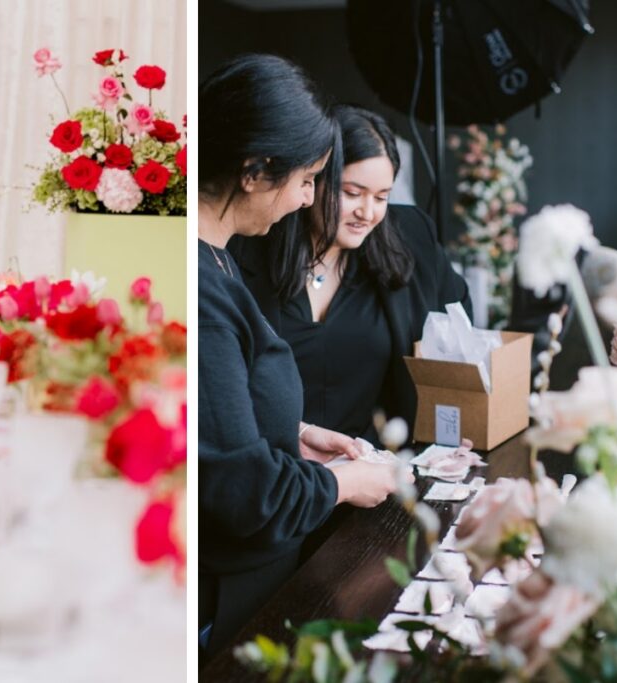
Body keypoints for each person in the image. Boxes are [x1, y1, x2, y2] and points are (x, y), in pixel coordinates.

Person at [199, 56, 402, 658]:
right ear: (256, 171)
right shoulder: (207, 287)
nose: (308, 197)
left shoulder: (220, 259)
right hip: (230, 590)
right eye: (309, 179)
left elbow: (219, 418)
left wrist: (295, 433)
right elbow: (243, 491)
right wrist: (344, 482)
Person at [230, 105, 472, 444]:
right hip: (276, 470)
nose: (368, 213)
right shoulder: (245, 250)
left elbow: (459, 333)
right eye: (352, 193)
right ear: (311, 180)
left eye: (382, 197)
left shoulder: (412, 237)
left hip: (379, 470)